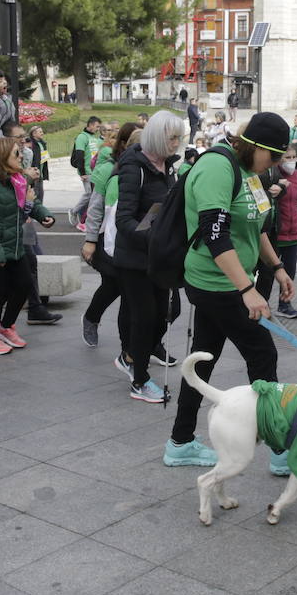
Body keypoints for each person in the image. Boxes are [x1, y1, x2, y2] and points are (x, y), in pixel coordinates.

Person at [165, 112, 293, 472]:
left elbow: (259, 229)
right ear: (255, 146)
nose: (275, 164)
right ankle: (280, 449)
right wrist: (247, 289)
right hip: (215, 282)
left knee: (203, 358)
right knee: (262, 355)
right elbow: (214, 234)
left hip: (231, 282)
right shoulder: (217, 168)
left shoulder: (251, 172)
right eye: (273, 156)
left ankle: (180, 441)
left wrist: (277, 267)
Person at [112, 111, 182, 401]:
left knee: (167, 312)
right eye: (172, 138)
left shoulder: (167, 166)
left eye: (179, 137)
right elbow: (124, 219)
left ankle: (131, 356)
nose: (177, 144)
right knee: (144, 316)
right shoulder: (134, 166)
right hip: (134, 258)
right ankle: (139, 379)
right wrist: (153, 236)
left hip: (158, 256)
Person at [0, 137, 56, 355]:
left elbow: (30, 202)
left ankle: (6, 326)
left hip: (14, 244)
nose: (22, 156)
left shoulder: (17, 180)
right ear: (2, 157)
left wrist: (44, 215)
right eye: (16, 153)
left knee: (24, 285)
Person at [81, 122, 136, 350]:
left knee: (129, 290)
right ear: (124, 143)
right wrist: (91, 240)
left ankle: (141, 346)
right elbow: (95, 208)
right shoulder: (107, 169)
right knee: (113, 286)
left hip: (132, 238)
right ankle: (92, 318)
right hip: (108, 238)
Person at [267, 144, 297, 319]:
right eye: (287, 157)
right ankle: (262, 302)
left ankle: (284, 304)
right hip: (277, 231)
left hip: (293, 231)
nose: (292, 161)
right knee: (268, 272)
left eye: (294, 157)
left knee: (290, 271)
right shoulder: (273, 174)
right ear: (279, 159)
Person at [67, 115, 103, 227]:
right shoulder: (82, 137)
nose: (98, 129)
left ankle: (83, 215)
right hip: (87, 172)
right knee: (89, 194)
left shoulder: (94, 138)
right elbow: (79, 155)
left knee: (92, 195)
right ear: (91, 125)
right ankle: (74, 211)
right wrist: (82, 172)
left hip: (94, 171)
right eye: (97, 126)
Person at [27, 125, 50, 203]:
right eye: (40, 132)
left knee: (40, 194)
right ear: (34, 134)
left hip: (40, 174)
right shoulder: (31, 144)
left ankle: (40, 213)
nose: (42, 133)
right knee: (35, 195)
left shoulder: (42, 143)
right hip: (34, 174)